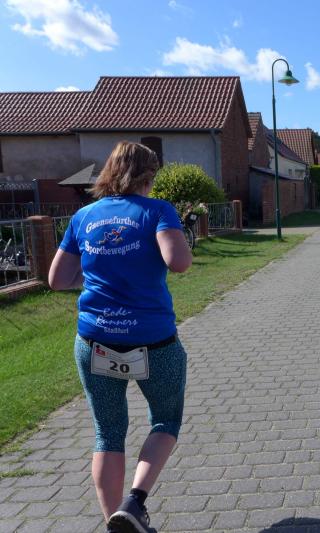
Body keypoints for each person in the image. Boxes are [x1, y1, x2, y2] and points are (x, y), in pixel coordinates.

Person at [49, 141, 193, 532]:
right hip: (153, 342)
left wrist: (98, 279)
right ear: (149, 175)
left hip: (94, 340)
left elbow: (57, 279)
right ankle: (134, 503)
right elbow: (178, 262)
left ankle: (114, 523)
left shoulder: (83, 216)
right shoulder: (158, 210)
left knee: (108, 433)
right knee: (165, 421)